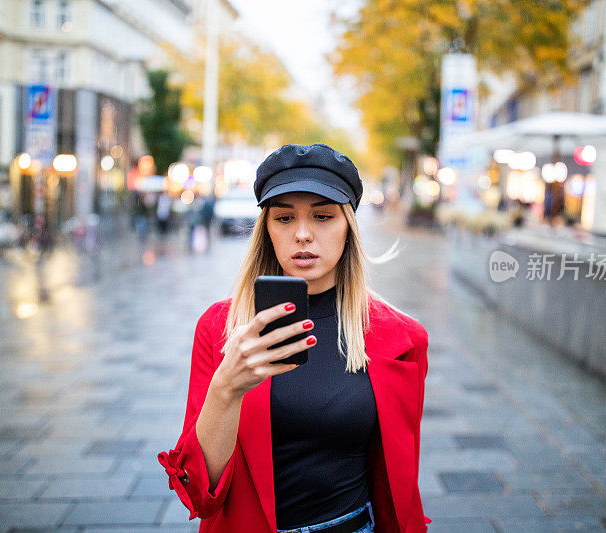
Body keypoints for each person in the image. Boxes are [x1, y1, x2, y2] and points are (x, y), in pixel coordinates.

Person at [157, 143, 431, 532]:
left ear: (348, 227)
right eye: (284, 218)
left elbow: (399, 489)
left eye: (323, 216)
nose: (303, 234)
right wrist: (225, 389)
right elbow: (201, 495)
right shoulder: (221, 329)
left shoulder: (402, 339)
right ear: (266, 229)